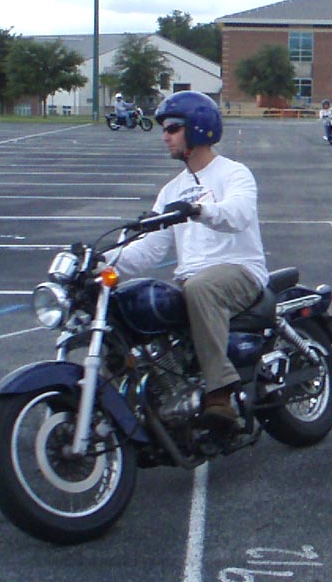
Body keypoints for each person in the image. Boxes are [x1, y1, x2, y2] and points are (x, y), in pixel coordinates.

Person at [108, 90, 269, 432]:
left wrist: (198, 210)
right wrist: (102, 262)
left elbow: (238, 214)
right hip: (192, 279)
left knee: (199, 288)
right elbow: (149, 249)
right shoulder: (171, 190)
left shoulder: (234, 173)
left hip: (240, 270)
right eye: (164, 129)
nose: (164, 136)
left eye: (172, 128)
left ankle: (220, 393)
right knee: (136, 303)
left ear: (197, 128)